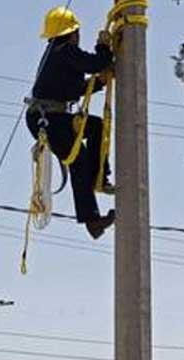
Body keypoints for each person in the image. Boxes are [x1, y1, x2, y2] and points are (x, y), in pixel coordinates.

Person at [26, 6, 116, 239]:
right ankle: (92, 220)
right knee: (79, 160)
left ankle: (99, 176)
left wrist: (99, 83)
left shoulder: (55, 54)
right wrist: (103, 47)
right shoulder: (66, 52)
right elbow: (96, 63)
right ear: (73, 33)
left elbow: (74, 89)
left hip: (49, 117)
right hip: (48, 119)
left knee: (95, 128)